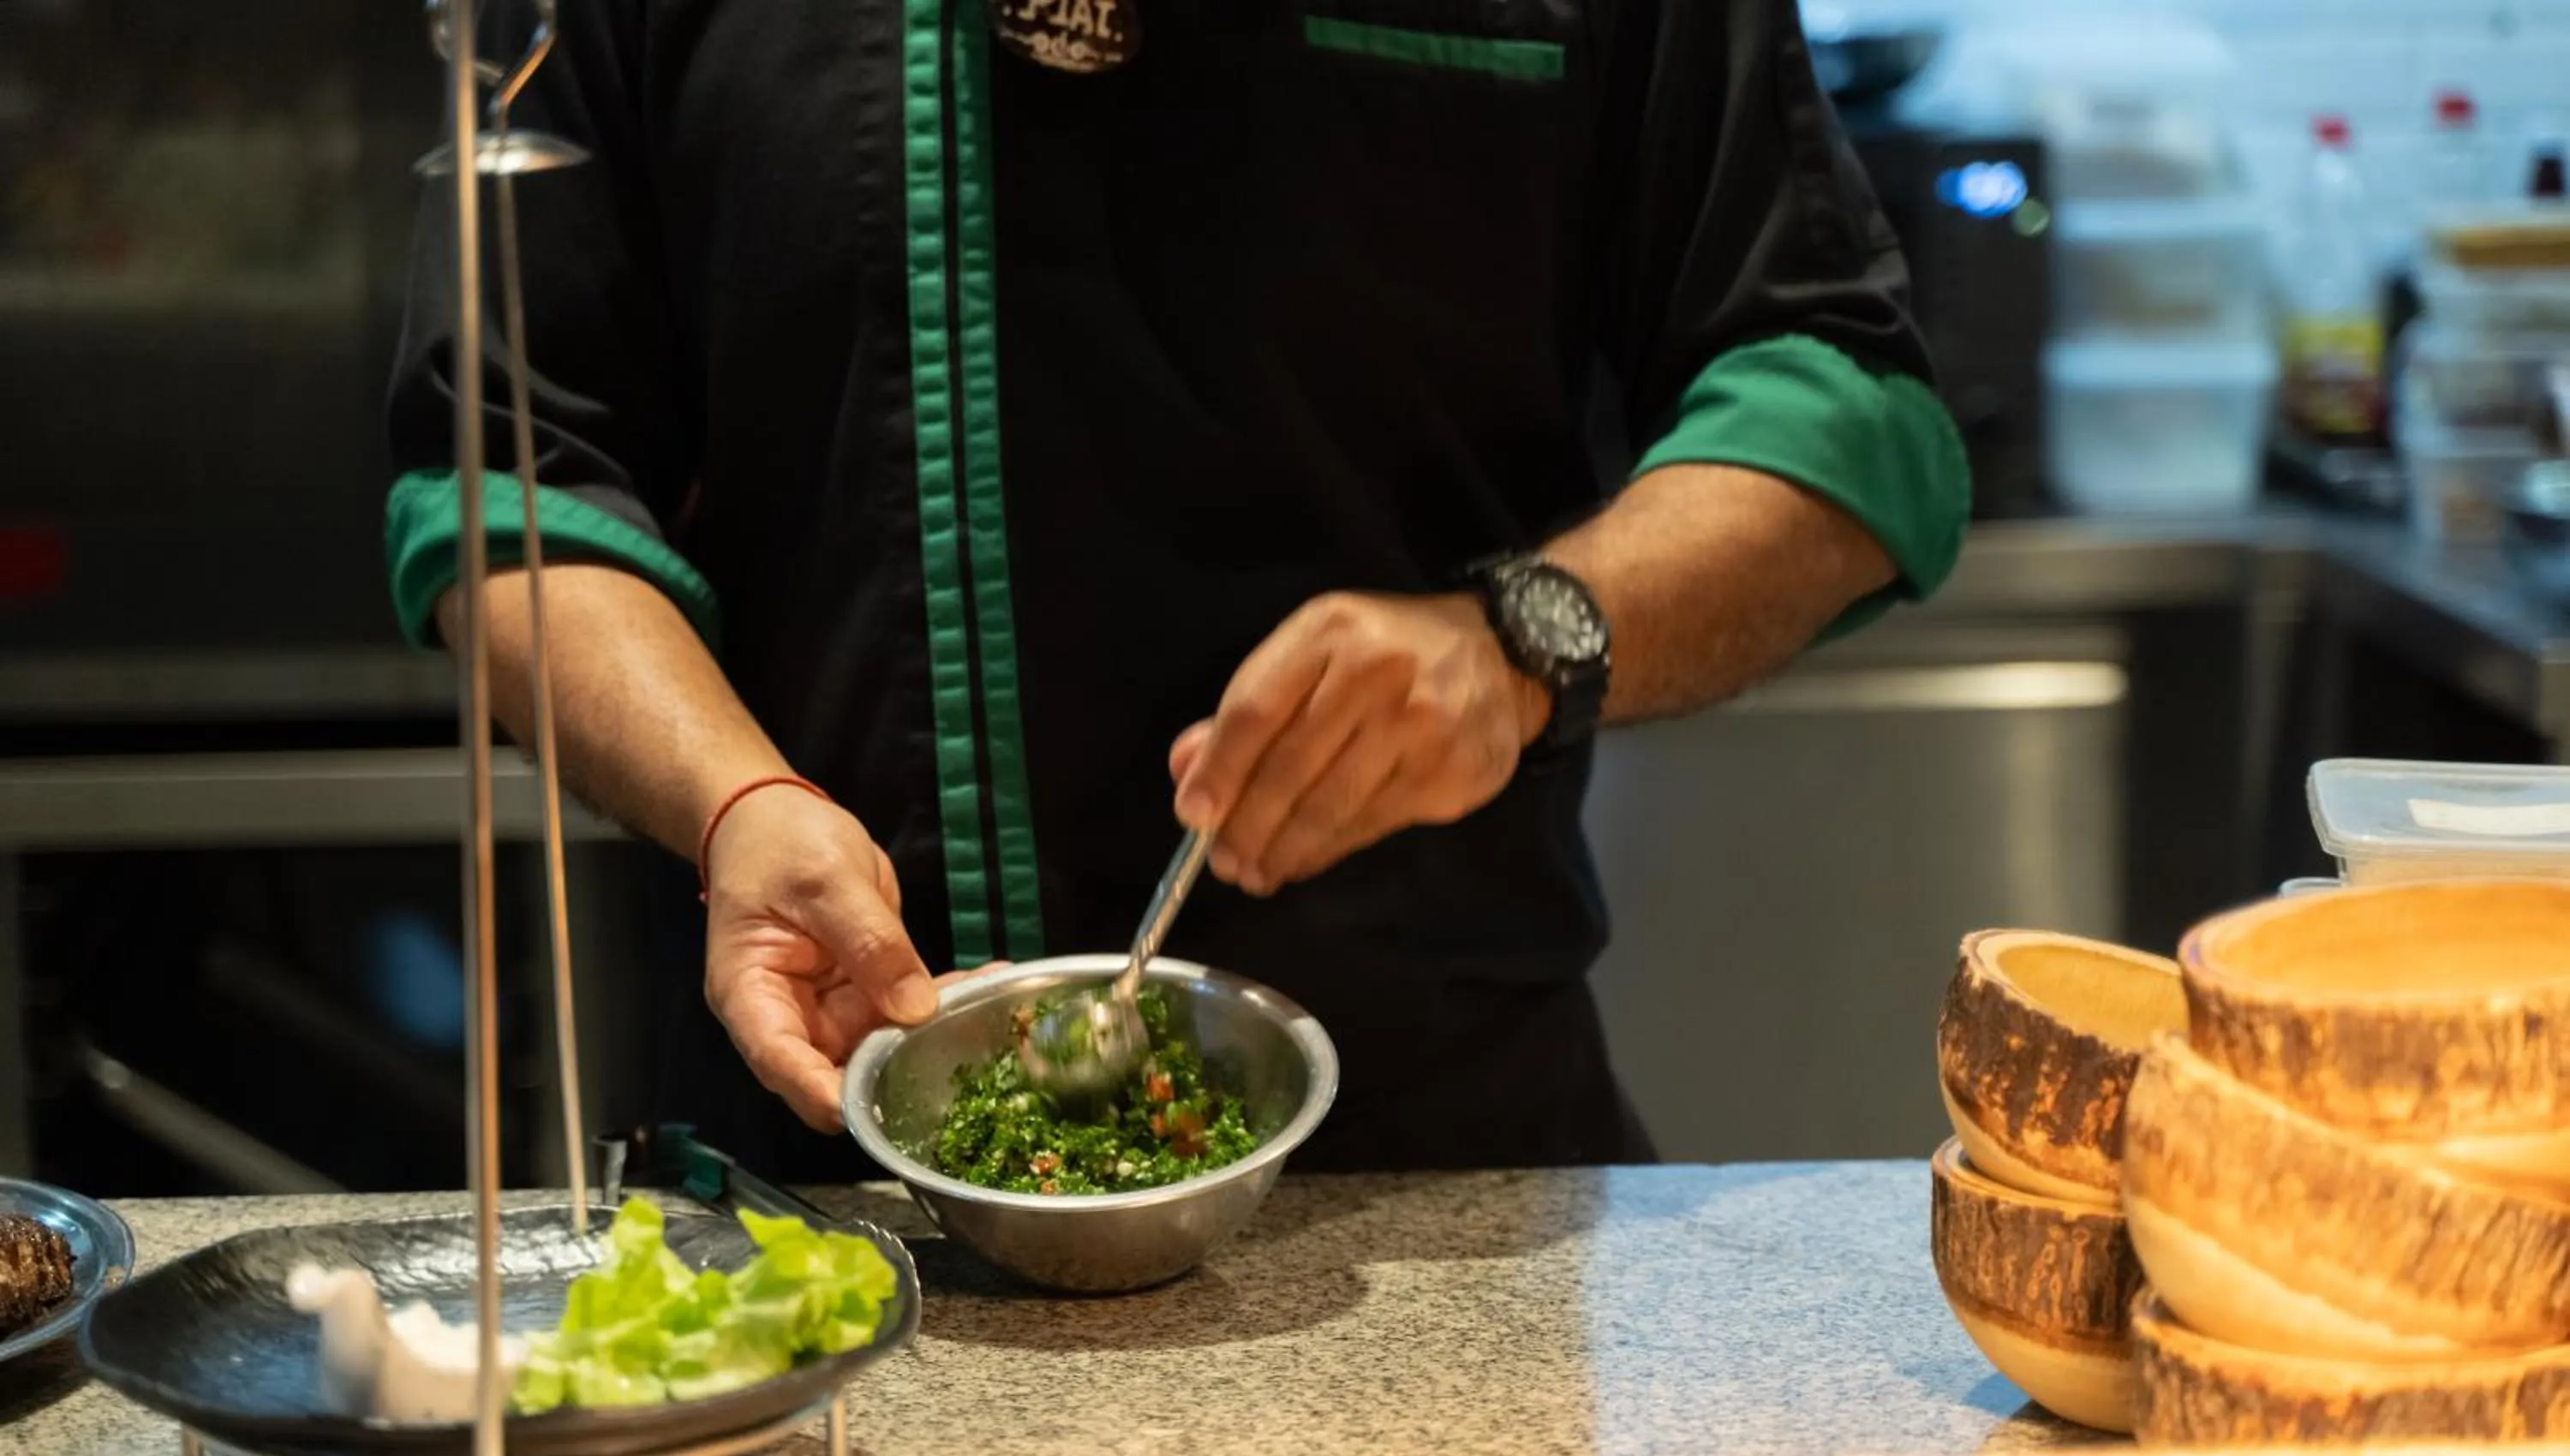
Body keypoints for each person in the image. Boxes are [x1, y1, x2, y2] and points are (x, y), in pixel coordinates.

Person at [386, 0, 1968, 1177]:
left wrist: (1517, 641)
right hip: (819, 1185)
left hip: (1435, 1201)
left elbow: (1849, 417)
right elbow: (505, 478)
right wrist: (735, 804)